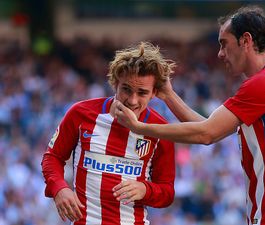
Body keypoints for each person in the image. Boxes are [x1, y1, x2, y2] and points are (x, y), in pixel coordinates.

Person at [112, 6, 265, 225]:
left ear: (245, 40)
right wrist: (169, 96)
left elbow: (206, 134)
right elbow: (208, 128)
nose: (220, 53)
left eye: (224, 43)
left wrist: (139, 128)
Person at [41, 42, 176, 225]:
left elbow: (167, 193)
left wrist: (145, 190)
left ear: (154, 93)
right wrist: (59, 188)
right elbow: (53, 157)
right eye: (126, 89)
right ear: (115, 83)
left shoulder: (161, 129)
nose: (132, 100)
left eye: (142, 93)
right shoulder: (81, 114)